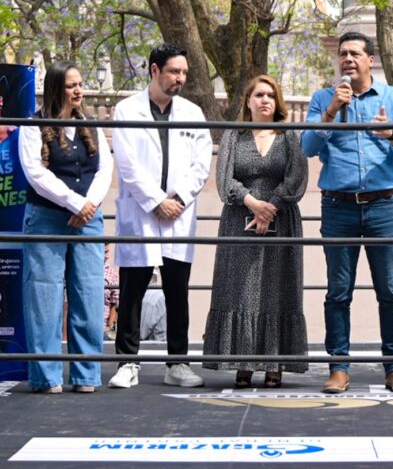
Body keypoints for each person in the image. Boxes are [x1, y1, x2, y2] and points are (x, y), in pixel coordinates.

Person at [302, 32, 393, 395]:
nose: (348, 59)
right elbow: (306, 146)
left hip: (384, 205)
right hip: (338, 207)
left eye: (355, 53)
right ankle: (339, 367)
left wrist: (392, 134)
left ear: (372, 60)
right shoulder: (324, 98)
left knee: (390, 289)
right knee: (338, 291)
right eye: (343, 54)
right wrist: (331, 112)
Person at [109, 44, 212, 389]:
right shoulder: (126, 110)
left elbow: (201, 164)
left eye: (184, 73)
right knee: (133, 289)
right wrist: (156, 202)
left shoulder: (193, 113)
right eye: (173, 72)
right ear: (154, 70)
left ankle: (178, 362)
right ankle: (127, 362)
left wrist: (178, 199)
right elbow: (127, 163)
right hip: (142, 211)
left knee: (176, 290)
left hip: (179, 213)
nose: (180, 79)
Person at [204, 75, 309, 388]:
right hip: (239, 220)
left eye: (271, 96)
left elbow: (296, 176)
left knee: (279, 290)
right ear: (247, 101)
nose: (265, 100)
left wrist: (270, 207)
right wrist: (252, 203)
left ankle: (276, 362)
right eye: (259, 95)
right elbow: (224, 181)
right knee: (241, 292)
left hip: (282, 221)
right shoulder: (233, 136)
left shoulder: (290, 136)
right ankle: (243, 362)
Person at [19, 60, 113, 394]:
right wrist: (75, 203)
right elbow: (35, 172)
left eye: (81, 84)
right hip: (46, 217)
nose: (79, 90)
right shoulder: (33, 125)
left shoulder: (91, 125)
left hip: (88, 219)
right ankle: (46, 377)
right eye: (72, 85)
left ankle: (86, 375)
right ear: (58, 88)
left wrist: (88, 206)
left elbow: (104, 169)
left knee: (88, 292)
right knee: (43, 295)